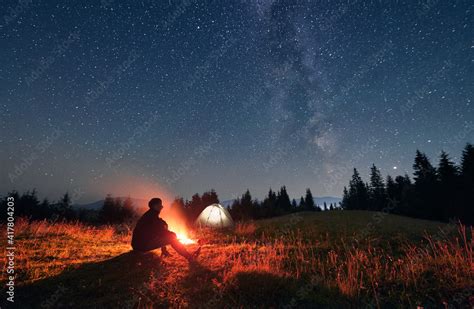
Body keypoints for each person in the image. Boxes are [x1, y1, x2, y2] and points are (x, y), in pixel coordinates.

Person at [131, 197, 200, 262]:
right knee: (171, 237)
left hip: (138, 244)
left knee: (167, 235)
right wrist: (172, 234)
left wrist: (163, 224)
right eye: (160, 205)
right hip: (142, 246)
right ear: (155, 206)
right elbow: (161, 232)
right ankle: (189, 257)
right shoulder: (152, 217)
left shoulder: (150, 215)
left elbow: (158, 229)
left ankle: (164, 252)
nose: (162, 207)